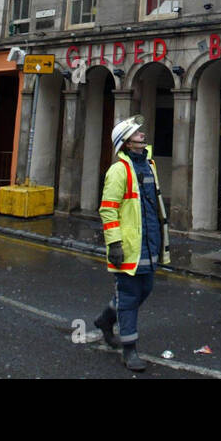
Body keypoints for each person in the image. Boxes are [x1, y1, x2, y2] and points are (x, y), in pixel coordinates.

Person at [94, 115, 170, 372]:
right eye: (136, 133)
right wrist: (114, 243)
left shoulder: (149, 165)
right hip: (128, 246)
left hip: (148, 243)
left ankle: (106, 319)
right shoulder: (119, 170)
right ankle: (129, 350)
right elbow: (108, 210)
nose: (141, 134)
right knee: (128, 297)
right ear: (125, 142)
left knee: (144, 290)